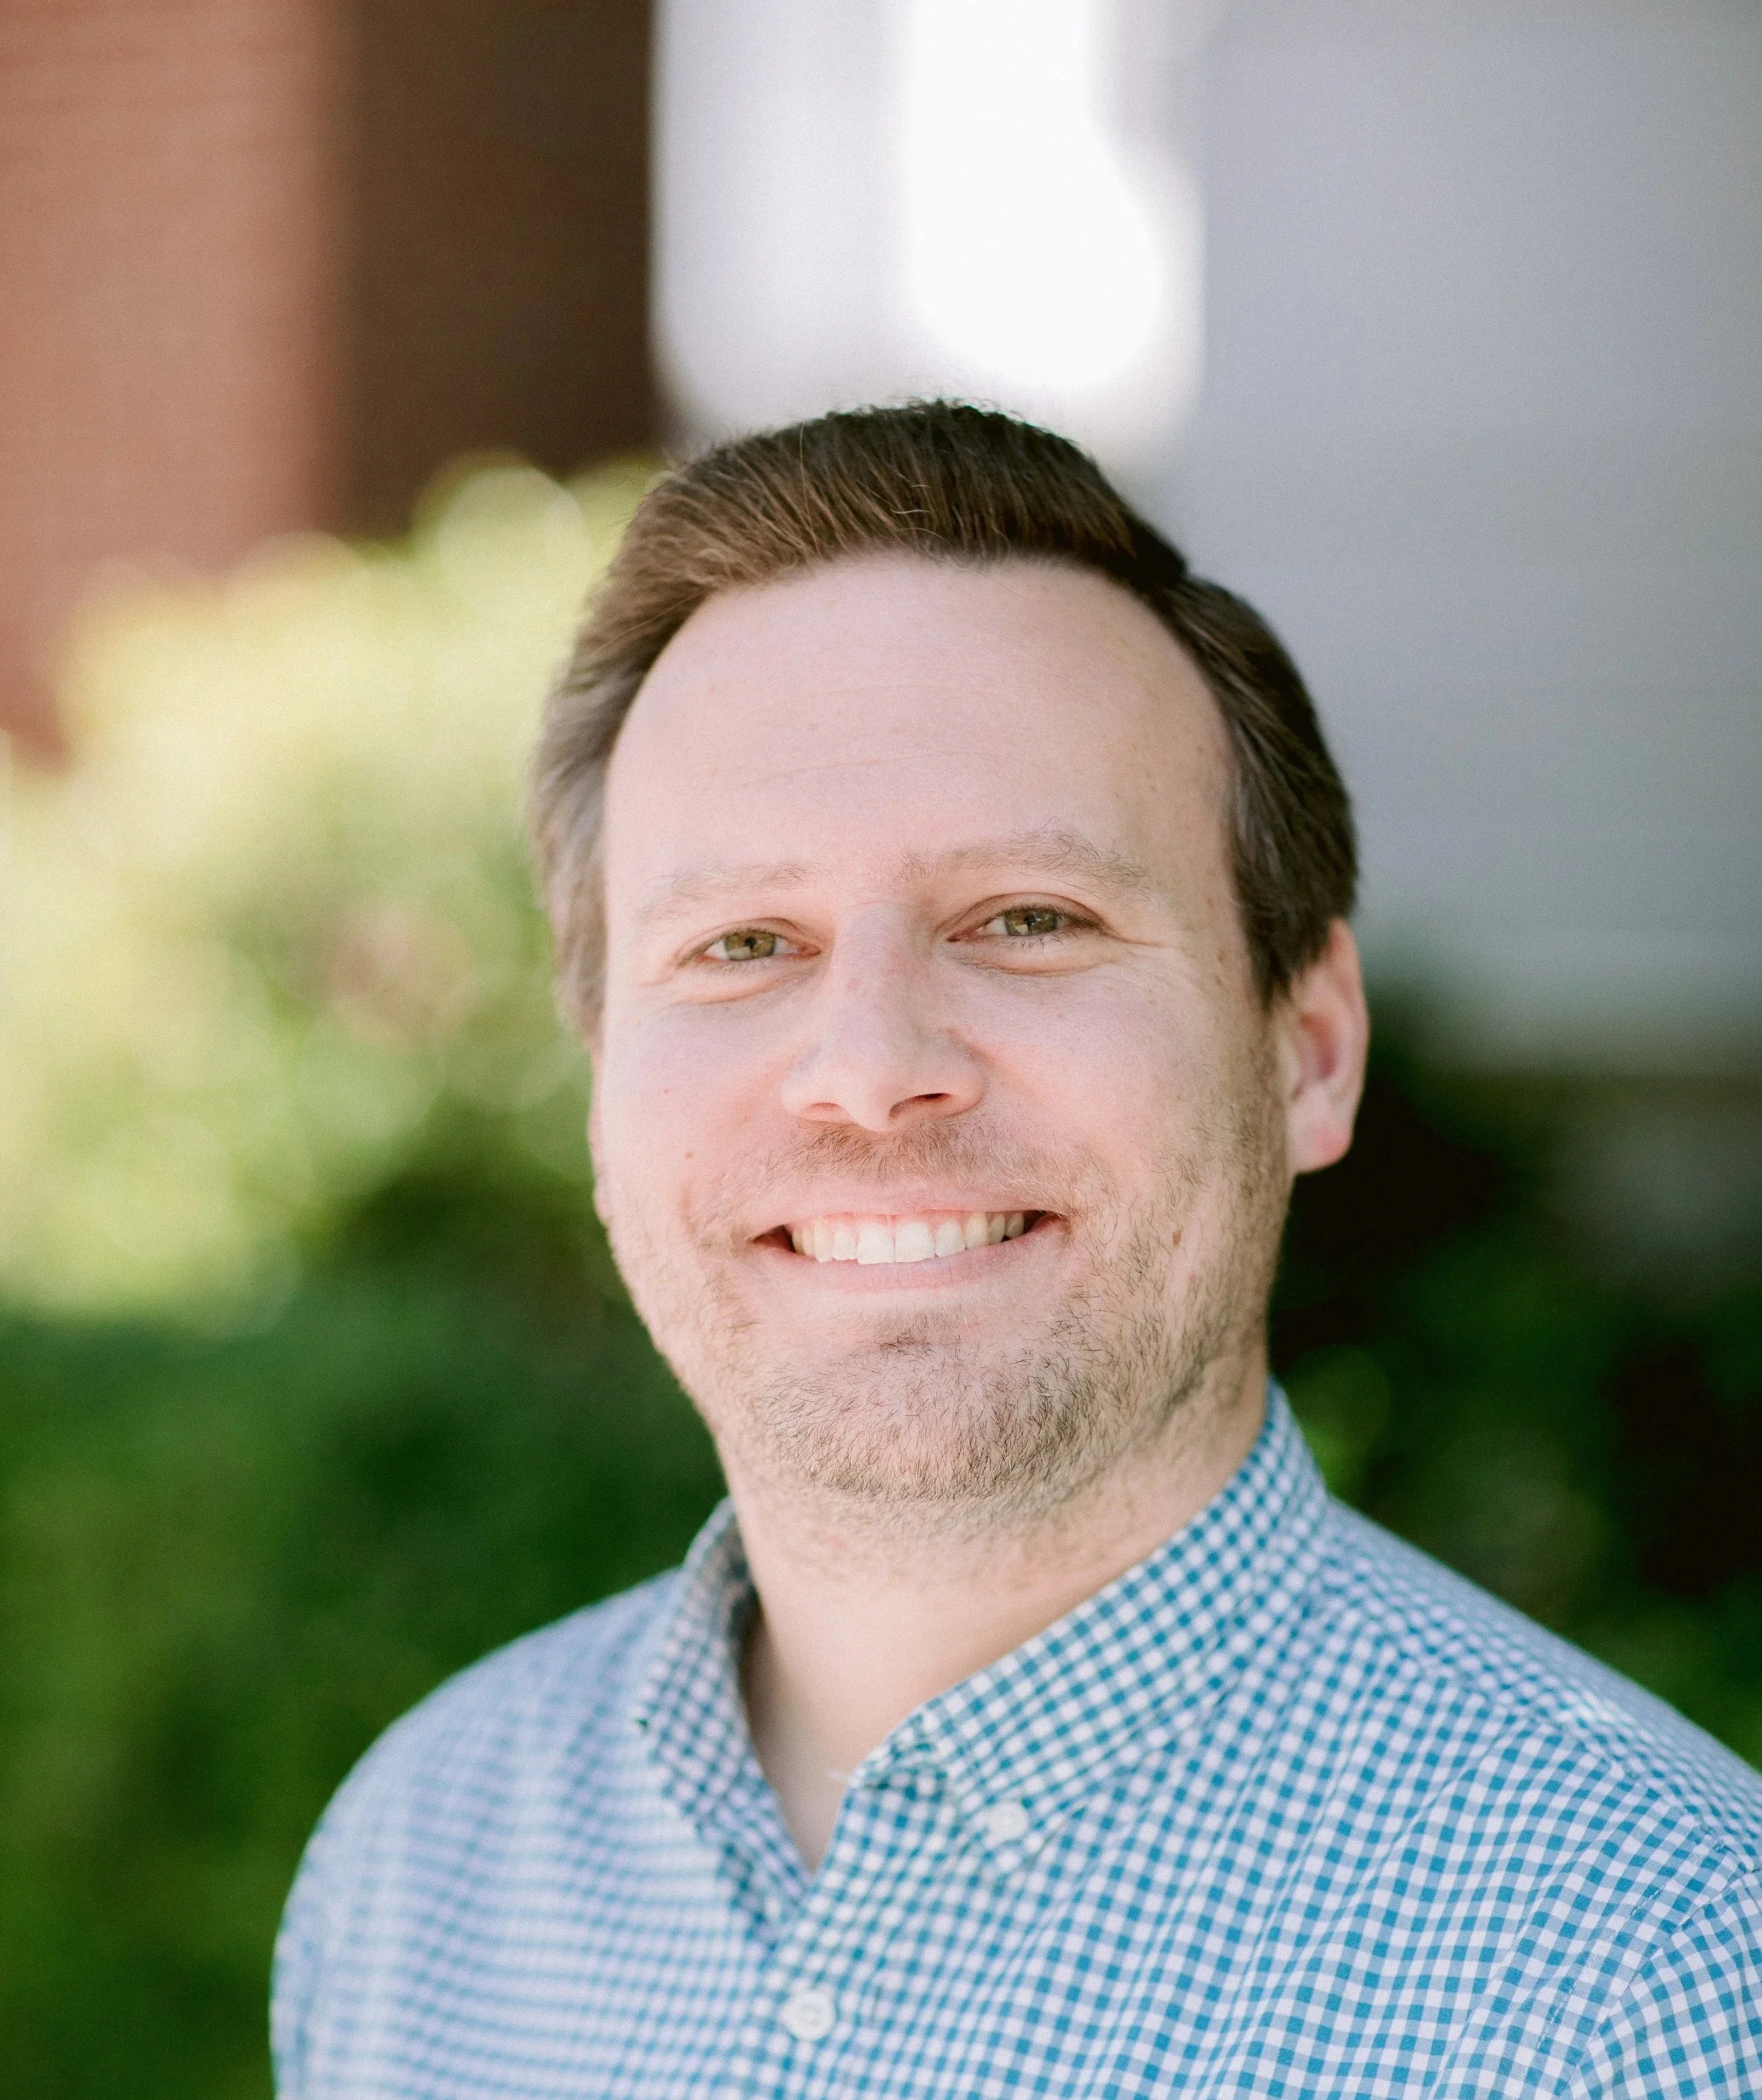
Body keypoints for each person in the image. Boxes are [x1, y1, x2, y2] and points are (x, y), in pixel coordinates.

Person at [272, 403, 1762, 2098]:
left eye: (1026, 919)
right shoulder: (420, 1860)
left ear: (1305, 1044)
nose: (869, 1063)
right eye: (742, 941)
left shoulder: (1657, 1975)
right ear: (604, 1071)